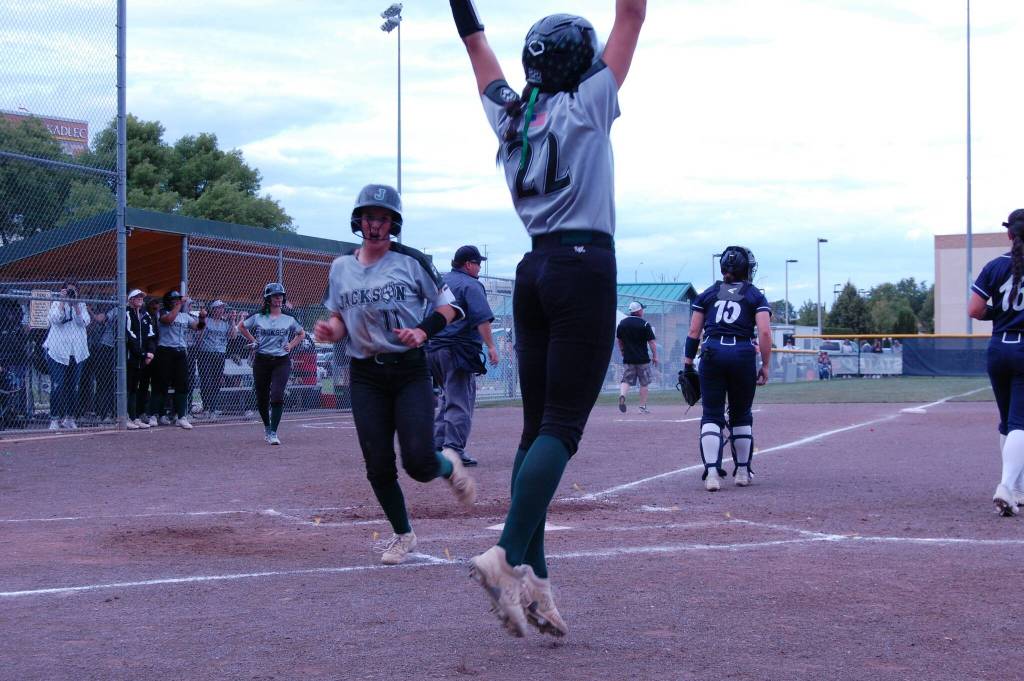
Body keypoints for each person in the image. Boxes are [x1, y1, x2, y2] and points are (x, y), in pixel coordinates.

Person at [450, 0, 645, 638]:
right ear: (578, 63)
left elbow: (480, 55)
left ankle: (534, 578)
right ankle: (505, 558)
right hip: (584, 267)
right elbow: (633, 12)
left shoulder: (514, 114)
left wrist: (464, 10)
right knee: (562, 427)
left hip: (534, 270)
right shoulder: (587, 100)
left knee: (536, 431)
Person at [315, 183, 477, 566]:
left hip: (408, 371)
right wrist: (329, 331)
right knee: (377, 464)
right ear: (359, 221)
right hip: (366, 374)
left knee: (419, 463)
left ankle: (446, 465)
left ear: (393, 223)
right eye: (369, 217)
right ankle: (403, 534)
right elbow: (339, 320)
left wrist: (422, 330)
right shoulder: (341, 268)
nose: (375, 225)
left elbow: (451, 309)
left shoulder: (410, 261)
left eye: (383, 218)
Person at [685, 247, 772, 492]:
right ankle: (742, 471)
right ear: (747, 269)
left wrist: (687, 363)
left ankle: (712, 473)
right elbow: (764, 332)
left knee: (711, 414)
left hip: (712, 352)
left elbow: (694, 332)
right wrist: (765, 364)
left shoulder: (709, 294)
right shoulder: (754, 295)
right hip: (743, 352)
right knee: (740, 414)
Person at [968, 208, 1024, 516]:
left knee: (1008, 423)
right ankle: (1006, 486)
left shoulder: (995, 266)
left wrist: (1000, 315)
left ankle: (1016, 489)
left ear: (1009, 234)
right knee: (1021, 423)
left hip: (999, 348)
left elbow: (974, 309)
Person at [427, 244, 500, 467]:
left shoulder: (441, 281)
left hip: (433, 349)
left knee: (446, 399)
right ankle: (454, 450)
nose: (479, 268)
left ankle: (438, 446)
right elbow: (482, 319)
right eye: (477, 263)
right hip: (456, 350)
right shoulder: (471, 284)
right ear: (468, 264)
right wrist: (491, 346)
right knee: (460, 401)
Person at [236, 284, 305, 445]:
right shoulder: (259, 315)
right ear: (268, 298)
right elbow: (241, 327)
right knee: (262, 397)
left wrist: (291, 345)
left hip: (281, 361)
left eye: (280, 295)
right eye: (275, 296)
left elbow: (301, 333)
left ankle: (273, 432)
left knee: (277, 393)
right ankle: (267, 428)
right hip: (262, 361)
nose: (278, 298)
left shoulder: (289, 317)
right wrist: (253, 340)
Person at [150, 291, 206, 430]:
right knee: (160, 384)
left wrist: (202, 318)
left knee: (182, 384)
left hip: (180, 352)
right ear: (169, 301)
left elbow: (197, 327)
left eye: (178, 300)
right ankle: (154, 414)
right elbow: (168, 320)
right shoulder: (162, 312)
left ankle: (181, 416)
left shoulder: (184, 315)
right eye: (174, 300)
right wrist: (179, 305)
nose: (177, 302)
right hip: (164, 351)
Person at [42, 281, 90, 430]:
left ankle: (69, 418)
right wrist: (63, 302)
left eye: (73, 291)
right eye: (68, 291)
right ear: (62, 291)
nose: (70, 293)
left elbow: (84, 322)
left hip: (77, 351)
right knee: (58, 385)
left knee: (74, 387)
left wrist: (75, 305)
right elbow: (54, 319)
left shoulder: (81, 305)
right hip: (58, 351)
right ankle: (55, 419)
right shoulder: (56, 303)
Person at [194, 300, 237, 420]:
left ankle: (212, 408)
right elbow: (199, 337)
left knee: (216, 381)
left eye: (222, 308)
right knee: (206, 380)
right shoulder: (207, 320)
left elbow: (233, 336)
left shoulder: (225, 323)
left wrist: (232, 320)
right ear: (213, 309)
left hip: (220, 354)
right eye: (218, 308)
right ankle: (206, 407)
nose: (221, 310)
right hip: (205, 353)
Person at [616, 301, 657, 414]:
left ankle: (622, 395)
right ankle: (642, 407)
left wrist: (623, 351)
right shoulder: (644, 324)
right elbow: (652, 342)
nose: (643, 311)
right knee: (644, 383)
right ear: (638, 311)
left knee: (626, 380)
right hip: (642, 358)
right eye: (642, 309)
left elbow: (619, 340)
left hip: (628, 358)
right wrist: (655, 356)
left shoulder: (622, 323)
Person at [125, 289, 157, 429]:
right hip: (131, 358)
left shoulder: (145, 315)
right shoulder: (126, 313)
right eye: (136, 297)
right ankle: (125, 417)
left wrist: (150, 353)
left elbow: (151, 335)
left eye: (141, 297)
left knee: (135, 388)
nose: (139, 298)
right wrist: (142, 354)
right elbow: (130, 337)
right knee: (128, 387)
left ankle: (135, 417)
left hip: (143, 359)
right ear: (130, 300)